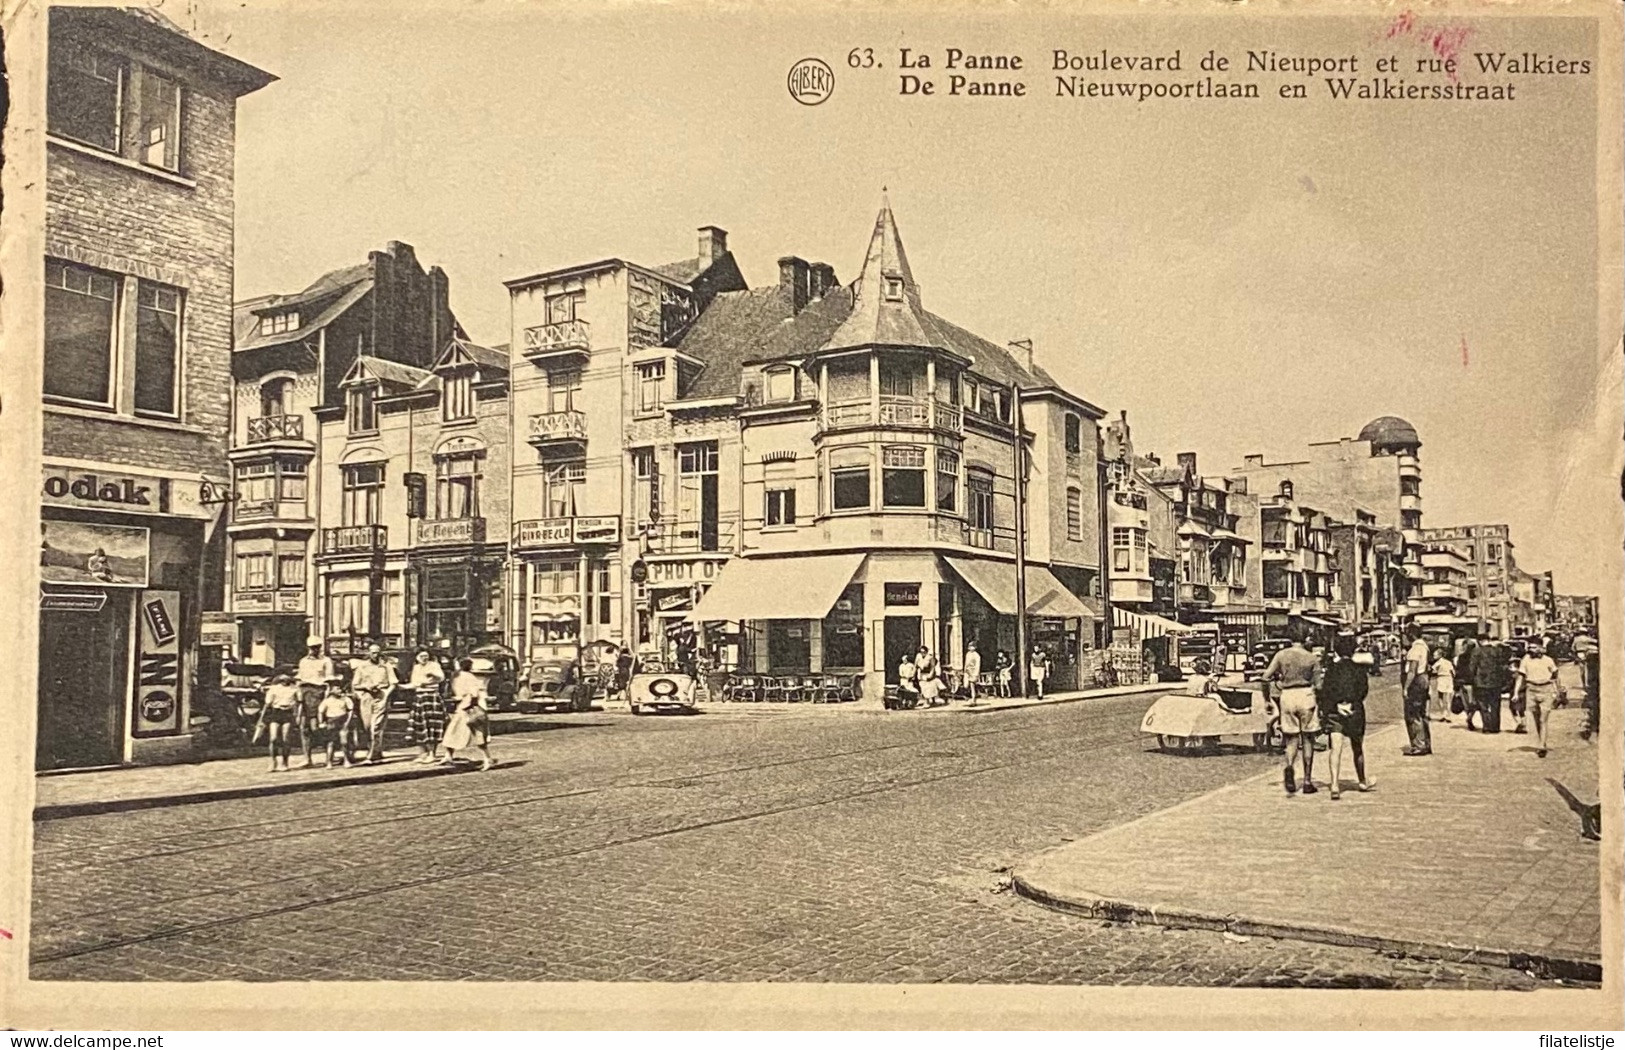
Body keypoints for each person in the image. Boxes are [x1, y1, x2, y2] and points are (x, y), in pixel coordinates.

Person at [1263, 631, 1322, 795]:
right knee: (1308, 739)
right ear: (1306, 640)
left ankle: (1289, 766)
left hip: (1287, 696)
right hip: (1305, 694)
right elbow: (1318, 685)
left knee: (1291, 739)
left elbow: (1265, 677)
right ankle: (1307, 781)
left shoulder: (1281, 655)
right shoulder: (1312, 658)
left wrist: (1267, 699)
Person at [1318, 633, 1374, 799]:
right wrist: (1351, 703)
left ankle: (1334, 785)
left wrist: (1336, 705)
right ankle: (1362, 781)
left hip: (1336, 711)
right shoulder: (1359, 669)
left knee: (1336, 749)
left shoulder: (1331, 669)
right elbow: (1363, 690)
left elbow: (1325, 691)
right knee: (1357, 748)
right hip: (1355, 709)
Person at [442, 657, 495, 770]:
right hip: (463, 707)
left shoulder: (463, 676)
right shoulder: (461, 676)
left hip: (467, 708)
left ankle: (488, 759)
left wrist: (462, 700)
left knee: (473, 734)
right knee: (453, 731)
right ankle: (448, 756)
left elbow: (473, 694)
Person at [349, 644, 397, 764]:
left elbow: (393, 683)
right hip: (366, 697)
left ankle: (371, 755)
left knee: (376, 726)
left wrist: (386, 695)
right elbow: (355, 684)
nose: (375, 655)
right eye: (372, 652)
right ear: (368, 653)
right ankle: (378, 751)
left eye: (377, 652)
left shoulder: (386, 666)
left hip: (381, 696)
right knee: (367, 727)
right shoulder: (362, 666)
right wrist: (364, 689)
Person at [1513, 637, 1561, 758]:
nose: (1531, 650)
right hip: (1531, 689)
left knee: (1543, 719)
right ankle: (1542, 741)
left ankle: (1542, 746)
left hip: (1546, 689)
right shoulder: (1526, 660)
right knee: (1535, 719)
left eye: (1534, 647)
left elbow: (1555, 676)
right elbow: (1520, 677)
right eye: (1529, 647)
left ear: (1541, 648)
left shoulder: (1548, 660)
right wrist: (1515, 693)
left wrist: (1557, 691)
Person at [296, 637, 338, 769]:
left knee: (318, 728)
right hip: (304, 693)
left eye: (316, 647)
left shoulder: (326, 661)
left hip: (319, 693)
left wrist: (326, 699)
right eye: (311, 647)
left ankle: (329, 756)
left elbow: (330, 682)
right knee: (304, 728)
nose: (313, 650)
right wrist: (299, 695)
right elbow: (299, 680)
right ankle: (307, 758)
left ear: (320, 647)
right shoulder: (303, 661)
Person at [407, 649, 447, 763]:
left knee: (432, 725)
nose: (424, 658)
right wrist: (401, 687)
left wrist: (432, 676)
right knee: (419, 725)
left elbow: (441, 677)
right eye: (421, 656)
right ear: (417, 657)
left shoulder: (434, 665)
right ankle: (423, 753)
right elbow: (414, 683)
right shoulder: (416, 667)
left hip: (431, 696)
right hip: (420, 697)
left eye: (426, 656)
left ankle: (432, 754)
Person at [1400, 626, 1433, 756]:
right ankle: (1426, 743)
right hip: (1424, 679)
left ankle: (1418, 745)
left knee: (1413, 714)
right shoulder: (1425, 647)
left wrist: (1406, 688)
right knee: (1422, 713)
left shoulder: (1415, 649)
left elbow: (1412, 670)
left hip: (1416, 682)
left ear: (1411, 635)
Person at [260, 672, 301, 772]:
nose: (285, 680)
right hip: (276, 712)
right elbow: (267, 704)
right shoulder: (274, 688)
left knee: (285, 738)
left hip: (288, 712)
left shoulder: (295, 688)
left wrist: (298, 715)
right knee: (273, 738)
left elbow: (300, 703)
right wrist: (262, 718)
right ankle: (273, 761)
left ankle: (284, 762)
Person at [1473, 632, 1509, 733]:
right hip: (1495, 682)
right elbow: (1502, 666)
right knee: (1495, 705)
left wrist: (1472, 679)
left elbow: (1473, 667)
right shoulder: (1497, 651)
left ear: (1479, 641)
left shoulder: (1477, 651)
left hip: (1481, 683)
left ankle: (1487, 726)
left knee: (1483, 705)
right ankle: (1495, 727)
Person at [316, 683, 356, 768]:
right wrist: (321, 722)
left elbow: (350, 710)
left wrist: (348, 721)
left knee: (344, 742)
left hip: (342, 721)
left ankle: (346, 760)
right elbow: (320, 711)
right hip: (331, 721)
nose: (340, 691)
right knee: (331, 743)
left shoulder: (345, 699)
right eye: (337, 689)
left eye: (340, 689)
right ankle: (329, 762)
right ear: (331, 690)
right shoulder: (327, 701)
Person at [1457, 635, 1481, 730]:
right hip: (1474, 682)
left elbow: (1458, 670)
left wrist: (1457, 683)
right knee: (1474, 703)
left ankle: (1469, 718)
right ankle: (1470, 717)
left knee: (1467, 703)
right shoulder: (1477, 656)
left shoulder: (1461, 657)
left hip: (1464, 682)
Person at [1430, 645, 1456, 723]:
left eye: (1435, 655)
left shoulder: (1438, 663)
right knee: (1448, 699)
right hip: (1449, 679)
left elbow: (1432, 671)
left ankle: (1443, 714)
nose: (1434, 656)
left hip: (1441, 679)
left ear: (1439, 655)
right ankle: (1448, 715)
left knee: (1440, 698)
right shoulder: (1448, 662)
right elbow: (1453, 672)